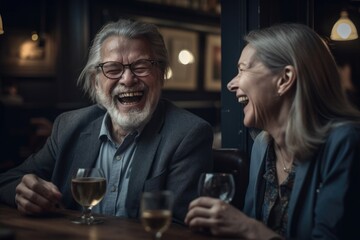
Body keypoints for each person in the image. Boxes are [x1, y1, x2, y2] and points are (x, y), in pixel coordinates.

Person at [0, 19, 213, 224]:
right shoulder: (68, 126)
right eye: (113, 69)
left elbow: (179, 226)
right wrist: (24, 192)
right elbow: (8, 180)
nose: (128, 79)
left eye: (141, 66)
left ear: (161, 74)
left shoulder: (188, 134)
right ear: (95, 83)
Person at [185, 23, 360, 239]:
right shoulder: (262, 146)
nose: (231, 84)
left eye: (242, 69)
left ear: (284, 79)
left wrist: (248, 228)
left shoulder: (344, 143)